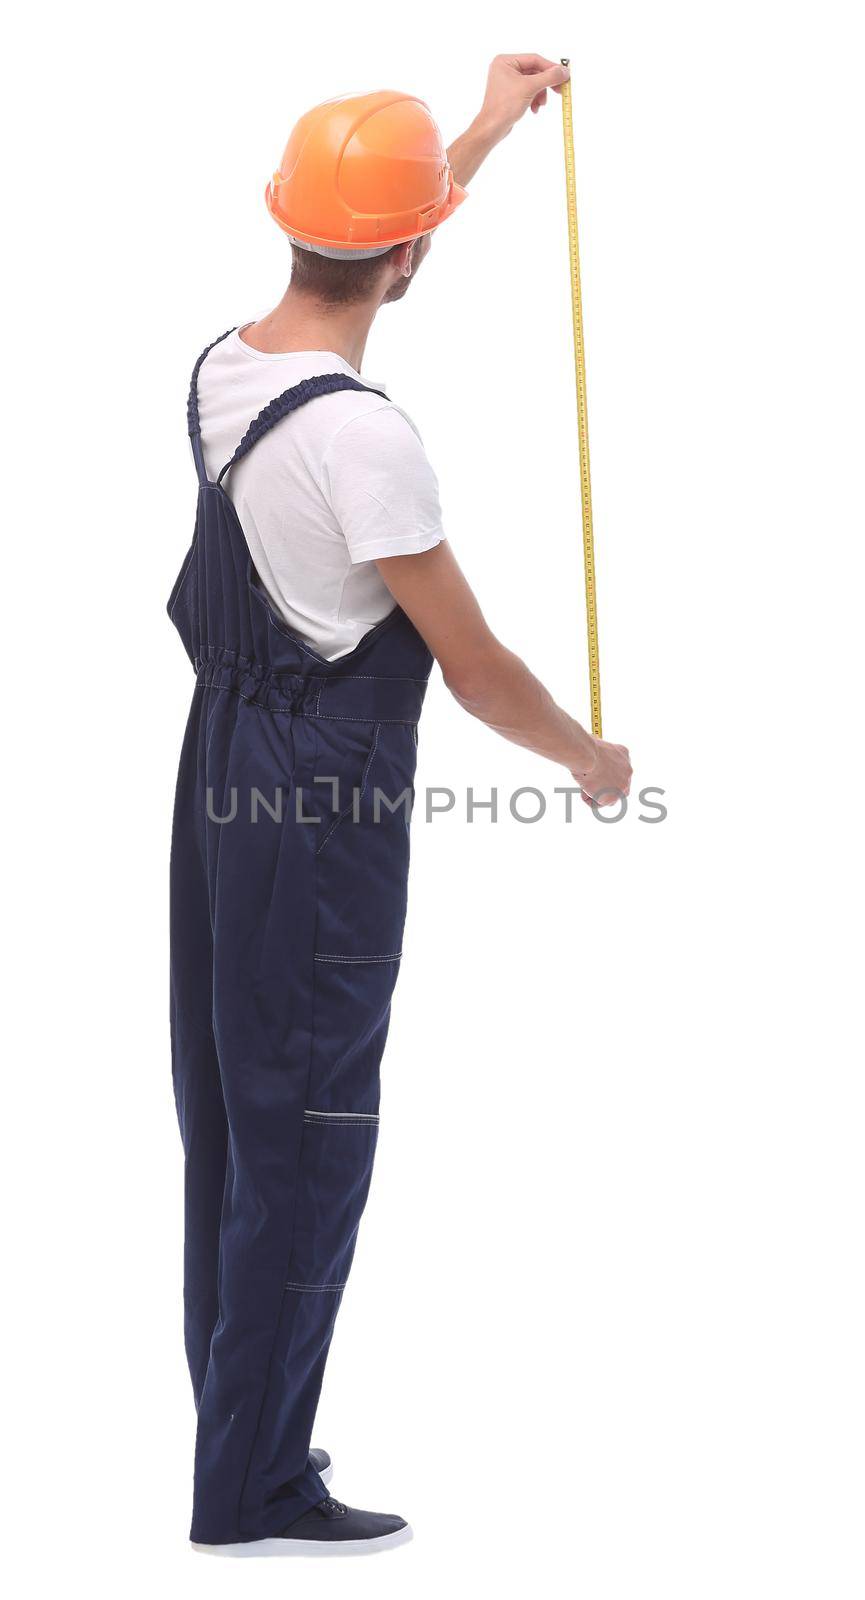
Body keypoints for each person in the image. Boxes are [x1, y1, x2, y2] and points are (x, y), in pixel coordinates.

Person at [168, 54, 632, 1558]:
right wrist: (585, 758)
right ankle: (252, 1483)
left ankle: (238, 1430)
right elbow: (478, 667)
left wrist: (482, 131)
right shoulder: (369, 442)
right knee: (305, 1135)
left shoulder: (225, 365)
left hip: (219, 769)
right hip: (312, 809)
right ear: (408, 254)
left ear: (291, 226)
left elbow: (380, 244)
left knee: (239, 1129)